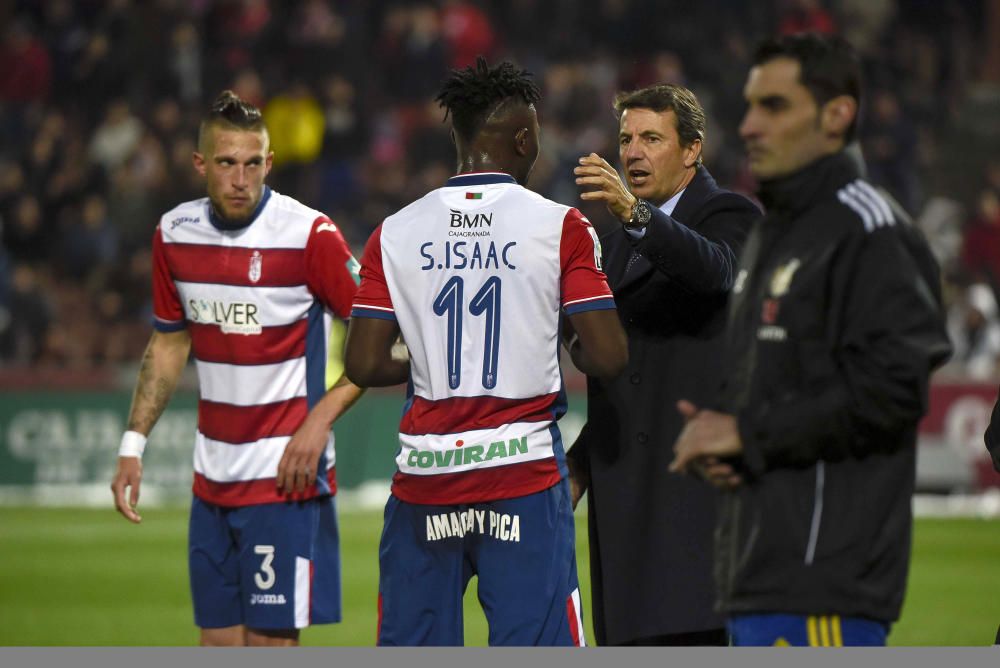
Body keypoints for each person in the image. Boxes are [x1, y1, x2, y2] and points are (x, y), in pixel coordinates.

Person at [670, 33, 951, 647]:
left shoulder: (870, 230)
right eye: (748, 106)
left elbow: (892, 390)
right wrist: (729, 435)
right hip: (756, 574)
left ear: (836, 115)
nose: (747, 126)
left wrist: (748, 434)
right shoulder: (773, 237)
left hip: (823, 584)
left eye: (774, 106)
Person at [344, 57, 627, 646]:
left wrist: (422, 353)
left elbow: (364, 364)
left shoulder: (394, 232)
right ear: (523, 138)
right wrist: (557, 332)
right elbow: (607, 356)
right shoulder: (562, 227)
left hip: (425, 482)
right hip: (521, 479)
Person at [109, 91, 363, 646]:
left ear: (269, 163)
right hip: (212, 478)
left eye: (253, 163)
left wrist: (319, 422)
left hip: (284, 480)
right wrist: (133, 444)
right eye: (227, 163)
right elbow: (170, 344)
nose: (241, 178)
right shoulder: (174, 234)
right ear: (201, 164)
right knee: (218, 644)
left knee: (269, 645)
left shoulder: (309, 235)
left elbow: (380, 337)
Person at [565, 84, 759, 646]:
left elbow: (716, 271)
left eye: (652, 137)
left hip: (694, 498)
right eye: (626, 138)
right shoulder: (616, 240)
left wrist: (633, 211)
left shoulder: (731, 215)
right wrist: (581, 462)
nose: (632, 152)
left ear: (693, 149)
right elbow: (621, 371)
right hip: (626, 488)